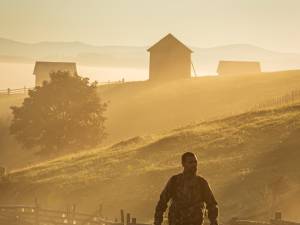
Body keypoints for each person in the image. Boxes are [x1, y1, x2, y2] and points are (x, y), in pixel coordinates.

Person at [154, 152, 218, 225]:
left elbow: (211, 204)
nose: (194, 165)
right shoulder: (174, 181)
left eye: (195, 162)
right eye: (190, 162)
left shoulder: (202, 183)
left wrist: (213, 221)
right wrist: (157, 221)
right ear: (183, 164)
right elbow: (162, 202)